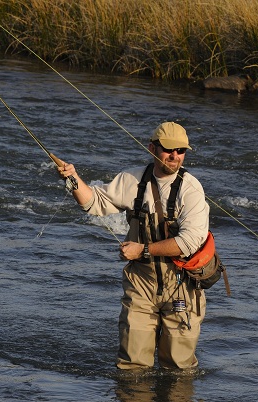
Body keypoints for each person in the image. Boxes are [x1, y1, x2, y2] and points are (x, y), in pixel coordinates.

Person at [57, 122, 210, 370]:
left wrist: (142, 250)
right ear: (152, 148)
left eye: (181, 150)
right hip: (141, 283)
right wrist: (72, 179)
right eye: (169, 149)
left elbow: (190, 242)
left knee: (178, 369)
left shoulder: (191, 189)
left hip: (182, 285)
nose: (175, 156)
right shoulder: (132, 180)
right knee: (132, 367)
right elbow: (94, 204)